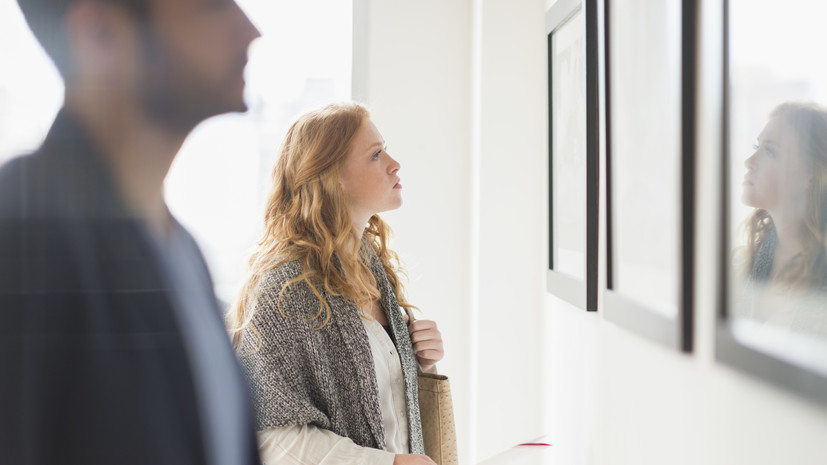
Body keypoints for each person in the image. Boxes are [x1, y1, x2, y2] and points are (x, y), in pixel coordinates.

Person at [0, 1, 262, 464]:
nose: (250, 30)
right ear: (101, 34)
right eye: (212, 5)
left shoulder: (183, 253)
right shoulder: (21, 231)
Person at [227, 103, 445, 465]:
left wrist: (422, 364)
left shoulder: (373, 268)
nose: (394, 163)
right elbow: (270, 437)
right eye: (376, 155)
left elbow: (388, 413)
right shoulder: (285, 290)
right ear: (331, 176)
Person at [735, 101, 827, 334]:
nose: (749, 162)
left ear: (810, 175)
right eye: (757, 145)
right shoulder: (747, 260)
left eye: (770, 151)